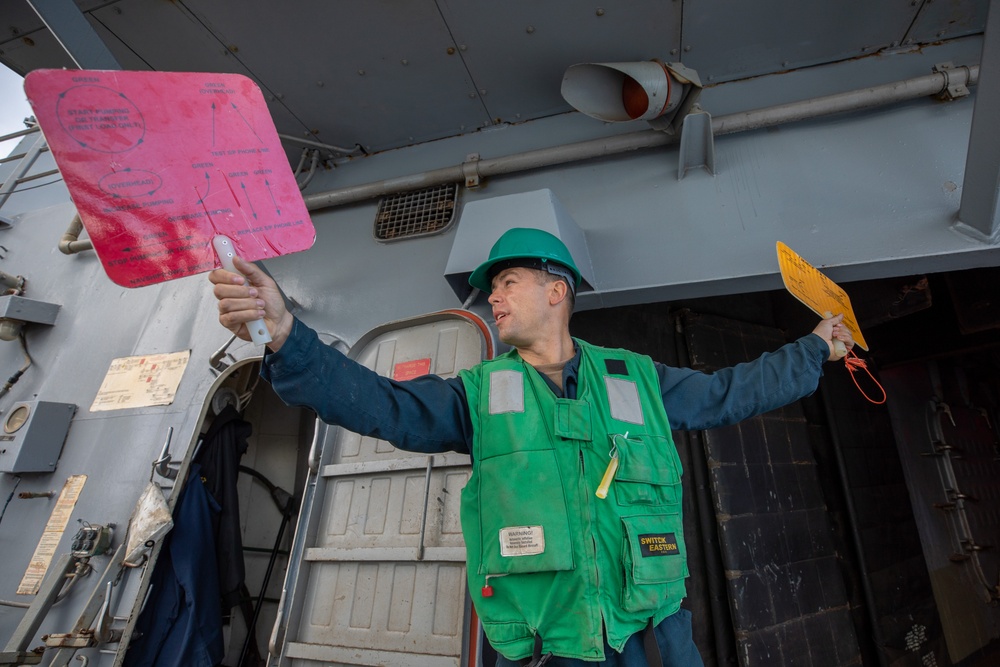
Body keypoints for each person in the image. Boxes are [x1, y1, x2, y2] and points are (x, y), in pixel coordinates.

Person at [210, 227, 853, 667]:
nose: (493, 297)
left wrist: (815, 350)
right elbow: (383, 405)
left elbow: (728, 393)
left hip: (653, 642)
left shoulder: (637, 379)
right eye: (493, 288)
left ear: (557, 289)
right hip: (547, 649)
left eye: (507, 281)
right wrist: (286, 335)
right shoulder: (479, 394)